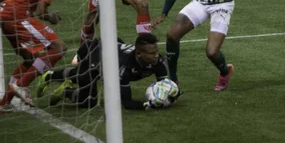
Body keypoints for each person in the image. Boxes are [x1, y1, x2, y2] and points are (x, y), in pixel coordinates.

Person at [0, 0, 75, 114]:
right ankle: (21, 86)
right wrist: (51, 17)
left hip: (4, 14)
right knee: (59, 48)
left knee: (30, 59)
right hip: (18, 16)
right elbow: (41, 12)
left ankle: (3, 104)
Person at [35, 34, 181, 110]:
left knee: (89, 101)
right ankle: (50, 76)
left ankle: (66, 92)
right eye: (151, 53)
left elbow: (164, 85)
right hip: (93, 51)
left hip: (111, 50)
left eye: (156, 52)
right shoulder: (124, 68)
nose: (156, 56)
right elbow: (127, 103)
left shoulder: (158, 62)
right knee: (85, 77)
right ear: (139, 54)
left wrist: (170, 95)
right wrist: (148, 105)